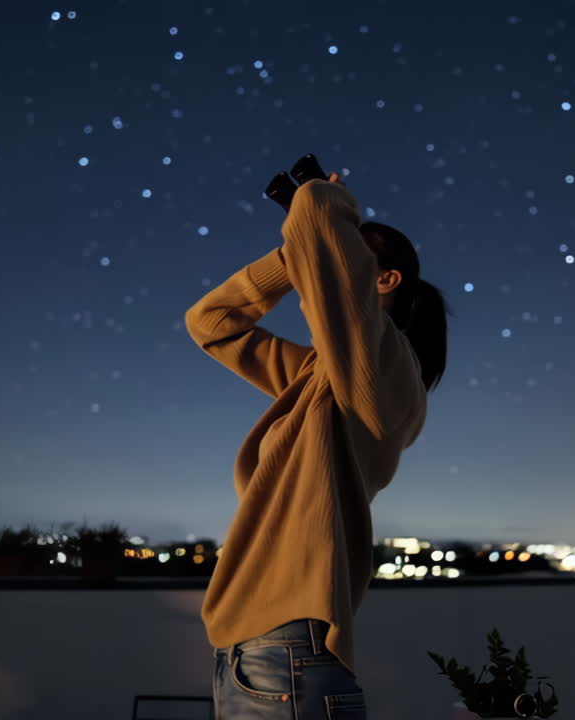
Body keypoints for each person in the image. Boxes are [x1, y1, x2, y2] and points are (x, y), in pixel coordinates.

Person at [184, 172, 451, 718]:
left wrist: (323, 199)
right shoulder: (321, 377)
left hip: (286, 650)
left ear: (385, 280)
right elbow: (211, 322)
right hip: (253, 648)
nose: (324, 260)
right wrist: (291, 254)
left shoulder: (383, 368)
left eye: (343, 253)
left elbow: (340, 283)